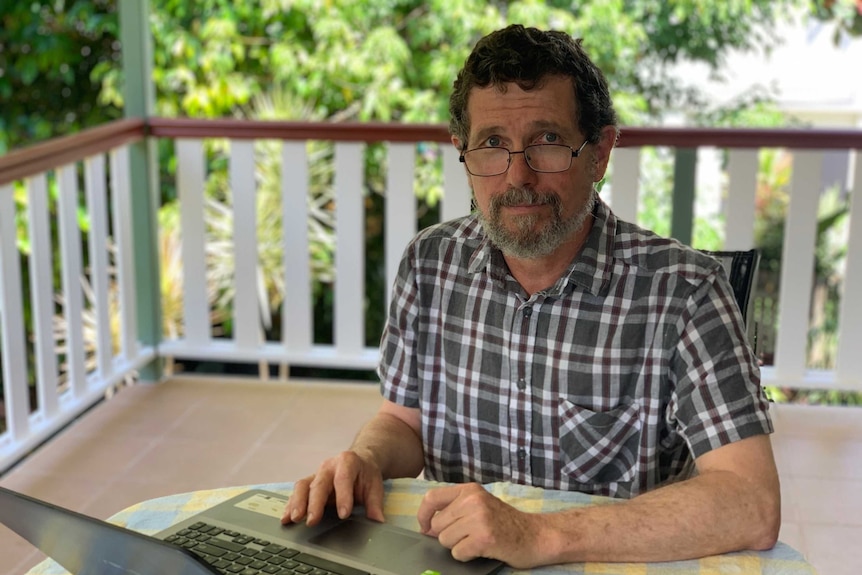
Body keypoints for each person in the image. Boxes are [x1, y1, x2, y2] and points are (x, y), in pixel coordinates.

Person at [282, 24, 780, 569]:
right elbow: (405, 423)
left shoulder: (684, 293)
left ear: (600, 153)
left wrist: (541, 536)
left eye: (547, 140)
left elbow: (750, 502)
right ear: (464, 154)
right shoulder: (429, 265)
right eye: (493, 143)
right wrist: (366, 460)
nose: (518, 175)